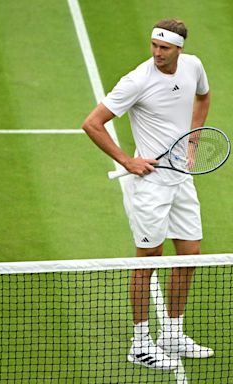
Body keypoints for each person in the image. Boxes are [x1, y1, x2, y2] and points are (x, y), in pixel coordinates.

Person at [82, 19, 213, 371]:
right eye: (153, 46)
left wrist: (195, 137)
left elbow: (203, 96)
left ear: (179, 49)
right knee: (148, 260)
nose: (156, 53)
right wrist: (128, 160)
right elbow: (92, 123)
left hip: (181, 178)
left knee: (190, 254)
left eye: (164, 48)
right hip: (150, 184)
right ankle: (140, 344)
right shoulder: (137, 80)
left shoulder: (193, 67)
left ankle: (172, 332)